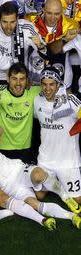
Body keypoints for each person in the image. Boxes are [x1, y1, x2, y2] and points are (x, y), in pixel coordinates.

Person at [0, 126, 81, 229]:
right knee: (33, 204)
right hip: (9, 188)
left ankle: (65, 197)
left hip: (18, 171)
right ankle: (72, 217)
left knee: (38, 175)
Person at [34, 67, 81, 205]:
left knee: (78, 200)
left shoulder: (70, 100)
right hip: (46, 160)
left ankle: (60, 184)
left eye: (51, 84)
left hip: (68, 161)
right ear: (41, 84)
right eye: (44, 84)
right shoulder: (37, 100)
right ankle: (60, 188)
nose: (47, 88)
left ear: (58, 84)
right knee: (40, 195)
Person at [0, 63, 40, 164]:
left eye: (22, 79)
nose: (18, 83)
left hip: (23, 148)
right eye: (14, 79)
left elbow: (53, 88)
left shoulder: (33, 92)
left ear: (27, 80)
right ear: (8, 79)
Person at [0, 1, 45, 83]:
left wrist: (40, 46)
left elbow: (46, 53)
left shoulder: (27, 27)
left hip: (20, 77)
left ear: (18, 19)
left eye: (12, 22)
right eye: (4, 22)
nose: (9, 27)